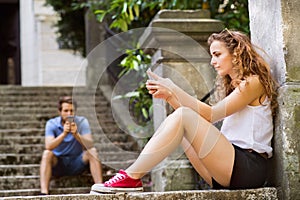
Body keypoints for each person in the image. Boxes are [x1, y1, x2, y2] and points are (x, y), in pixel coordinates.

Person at [91, 29, 278, 193]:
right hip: (227, 169)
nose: (212, 61)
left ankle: (131, 176)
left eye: (217, 54)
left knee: (184, 116)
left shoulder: (254, 82)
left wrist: (173, 87)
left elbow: (211, 115)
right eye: (212, 55)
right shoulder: (235, 88)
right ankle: (131, 176)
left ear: (236, 53)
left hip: (248, 168)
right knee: (181, 124)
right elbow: (196, 121)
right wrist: (170, 97)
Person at [40, 96, 103, 195]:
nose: (69, 114)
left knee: (92, 151)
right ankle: (44, 192)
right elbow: (48, 146)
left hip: (77, 162)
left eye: (71, 111)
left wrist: (76, 134)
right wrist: (64, 134)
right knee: (47, 153)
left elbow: (90, 144)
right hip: (58, 163)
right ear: (60, 111)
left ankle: (100, 188)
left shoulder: (82, 122)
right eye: (66, 110)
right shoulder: (51, 123)